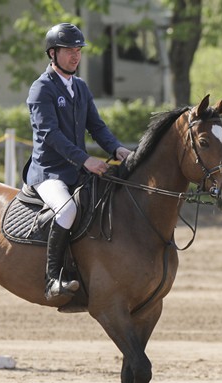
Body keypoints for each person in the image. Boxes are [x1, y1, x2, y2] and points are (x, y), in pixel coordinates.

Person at [25, 22, 132, 301]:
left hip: (77, 171)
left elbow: (96, 126)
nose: (75, 55)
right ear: (53, 53)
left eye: (78, 50)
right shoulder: (41, 89)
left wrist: (117, 148)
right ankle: (52, 280)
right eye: (69, 50)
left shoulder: (80, 87)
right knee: (67, 211)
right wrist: (86, 160)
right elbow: (50, 135)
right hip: (49, 173)